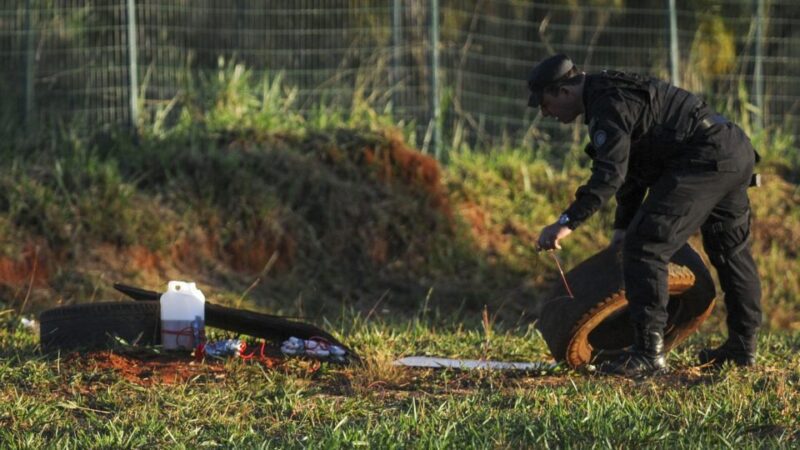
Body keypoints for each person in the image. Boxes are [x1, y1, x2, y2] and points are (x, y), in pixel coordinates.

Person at [529, 54, 762, 377]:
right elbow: (633, 170)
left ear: (564, 91)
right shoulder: (609, 89)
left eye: (545, 104)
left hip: (703, 159)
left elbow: (609, 175)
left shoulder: (607, 105)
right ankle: (742, 348)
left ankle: (648, 354)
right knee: (730, 252)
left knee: (646, 247)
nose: (545, 113)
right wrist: (621, 228)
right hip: (732, 149)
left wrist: (566, 223)